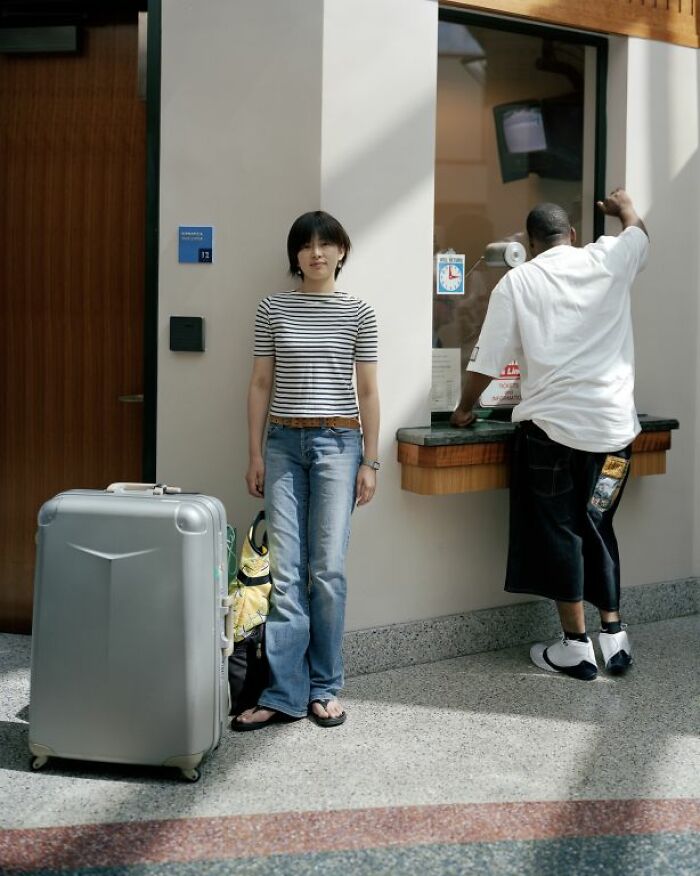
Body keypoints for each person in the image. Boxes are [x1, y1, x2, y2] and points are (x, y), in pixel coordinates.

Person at [450, 190, 649, 681]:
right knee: (598, 523)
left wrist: (462, 408)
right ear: (574, 236)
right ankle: (615, 638)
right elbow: (640, 233)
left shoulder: (520, 280)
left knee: (561, 531)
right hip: (615, 434)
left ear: (531, 243)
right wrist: (622, 205)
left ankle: (576, 648)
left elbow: (487, 360)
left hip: (553, 435)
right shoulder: (608, 257)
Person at [233, 210, 380, 729]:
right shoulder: (272, 307)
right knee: (287, 573)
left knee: (327, 571)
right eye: (305, 245)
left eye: (326, 244)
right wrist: (254, 453)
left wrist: (371, 460)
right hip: (282, 444)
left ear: (342, 250)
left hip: (340, 444)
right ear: (294, 255)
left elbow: (367, 392)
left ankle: (324, 687)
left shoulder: (359, 313)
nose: (316, 253)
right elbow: (258, 385)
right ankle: (283, 694)